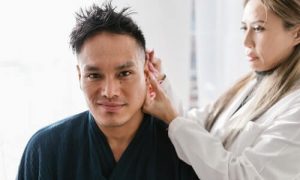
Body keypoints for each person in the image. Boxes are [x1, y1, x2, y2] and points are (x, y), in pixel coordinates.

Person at [17, 3, 199, 180]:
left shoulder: (182, 151)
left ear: (147, 72)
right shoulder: (45, 150)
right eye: (94, 75)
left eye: (124, 73)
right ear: (79, 76)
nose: (109, 92)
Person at [143, 0, 300, 179]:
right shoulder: (250, 85)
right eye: (244, 28)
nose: (246, 41)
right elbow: (197, 129)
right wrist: (160, 82)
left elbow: (240, 175)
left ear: (297, 34)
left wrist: (172, 118)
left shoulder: (295, 110)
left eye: (258, 28)